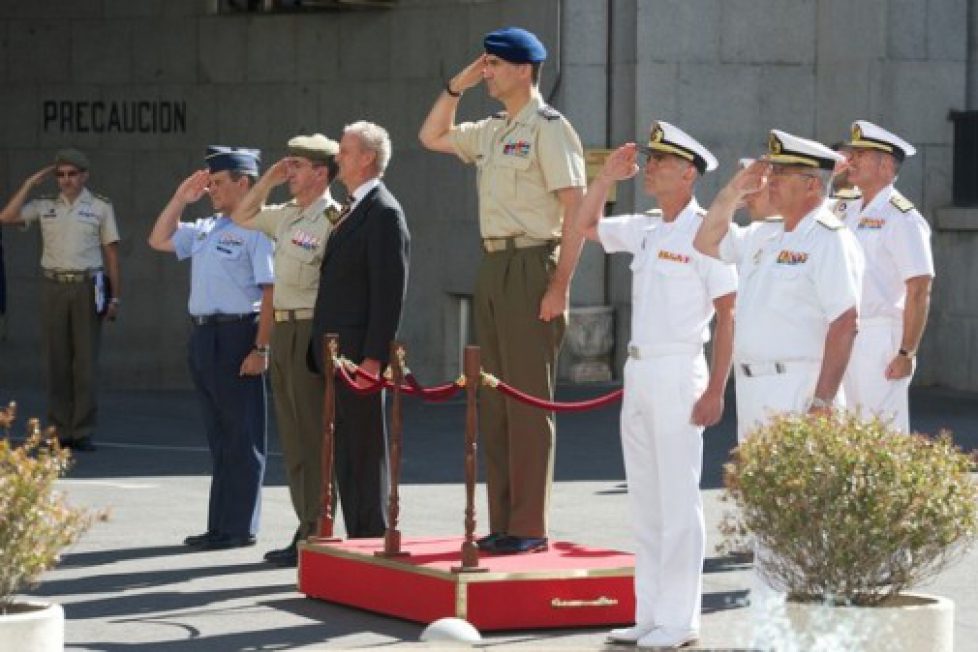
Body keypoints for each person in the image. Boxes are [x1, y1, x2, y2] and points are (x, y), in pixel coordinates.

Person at [418, 26, 586, 555]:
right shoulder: (492, 130)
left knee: (528, 402)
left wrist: (560, 285)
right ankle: (504, 522)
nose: (485, 72)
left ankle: (529, 524)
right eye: (484, 64)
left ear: (523, 69)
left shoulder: (549, 128)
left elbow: (576, 210)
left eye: (493, 65)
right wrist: (455, 86)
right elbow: (431, 137)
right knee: (492, 398)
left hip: (534, 262)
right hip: (493, 265)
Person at [577, 123, 736, 650]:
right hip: (640, 370)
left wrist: (716, 388)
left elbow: (727, 313)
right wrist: (603, 180)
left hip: (678, 369)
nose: (649, 168)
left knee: (677, 497)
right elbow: (586, 226)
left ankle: (680, 619)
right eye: (649, 161)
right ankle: (649, 614)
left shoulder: (707, 231)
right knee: (646, 498)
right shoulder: (646, 228)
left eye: (660, 162)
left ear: (688, 173)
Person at [693, 130, 864, 442]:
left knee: (799, 491)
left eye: (783, 173)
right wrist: (733, 191)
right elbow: (705, 242)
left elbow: (844, 321)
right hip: (751, 389)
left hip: (798, 386)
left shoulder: (830, 238)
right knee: (755, 489)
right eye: (773, 171)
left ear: (812, 184)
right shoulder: (763, 233)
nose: (771, 180)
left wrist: (823, 402)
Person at [148, 146, 273, 550]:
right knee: (219, 436)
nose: (211, 190)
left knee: (242, 434)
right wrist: (179, 199)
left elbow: (271, 292)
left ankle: (239, 526)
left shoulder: (257, 229)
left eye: (219, 183)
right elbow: (159, 239)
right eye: (209, 182)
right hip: (205, 335)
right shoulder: (206, 227)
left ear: (244, 182)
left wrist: (262, 349)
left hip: (239, 333)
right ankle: (220, 524)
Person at [230, 134, 341, 566]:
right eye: (289, 165)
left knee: (314, 432)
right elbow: (242, 215)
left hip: (313, 328)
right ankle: (306, 523)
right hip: (285, 329)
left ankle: (319, 526)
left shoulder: (334, 217)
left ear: (320, 172)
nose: (289, 171)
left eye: (296, 166)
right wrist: (268, 182)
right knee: (293, 436)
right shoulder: (287, 215)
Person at [308, 121, 410, 539]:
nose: (338, 158)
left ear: (368, 157)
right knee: (345, 453)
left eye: (346, 151)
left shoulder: (383, 212)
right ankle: (357, 535)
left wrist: (374, 358)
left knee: (365, 452)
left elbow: (389, 293)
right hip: (339, 351)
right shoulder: (352, 207)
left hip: (358, 355)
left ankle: (371, 536)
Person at [0, 149, 121, 451]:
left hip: (87, 286)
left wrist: (115, 297)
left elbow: (111, 254)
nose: (65, 180)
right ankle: (58, 431)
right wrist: (29, 184)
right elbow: (6, 217)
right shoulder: (44, 206)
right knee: (57, 362)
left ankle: (81, 430)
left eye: (72, 174)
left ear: (84, 175)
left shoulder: (100, 207)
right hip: (53, 285)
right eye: (61, 174)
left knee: (85, 363)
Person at [836, 120, 934, 433]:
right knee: (843, 431)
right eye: (851, 153)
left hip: (878, 336)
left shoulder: (901, 218)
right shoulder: (844, 207)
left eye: (860, 154)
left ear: (886, 164)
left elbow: (919, 288)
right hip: (841, 332)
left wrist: (907, 352)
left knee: (879, 432)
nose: (851, 160)